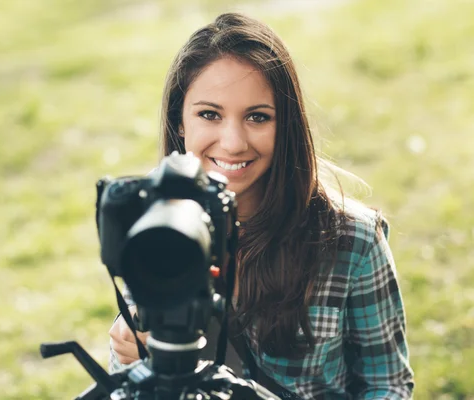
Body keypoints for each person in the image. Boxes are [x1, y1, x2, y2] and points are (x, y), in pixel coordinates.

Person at [108, 12, 415, 399]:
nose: (234, 142)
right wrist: (133, 356)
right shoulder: (156, 225)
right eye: (209, 114)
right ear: (179, 121)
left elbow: (386, 384)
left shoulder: (352, 240)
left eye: (257, 117)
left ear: (285, 123)